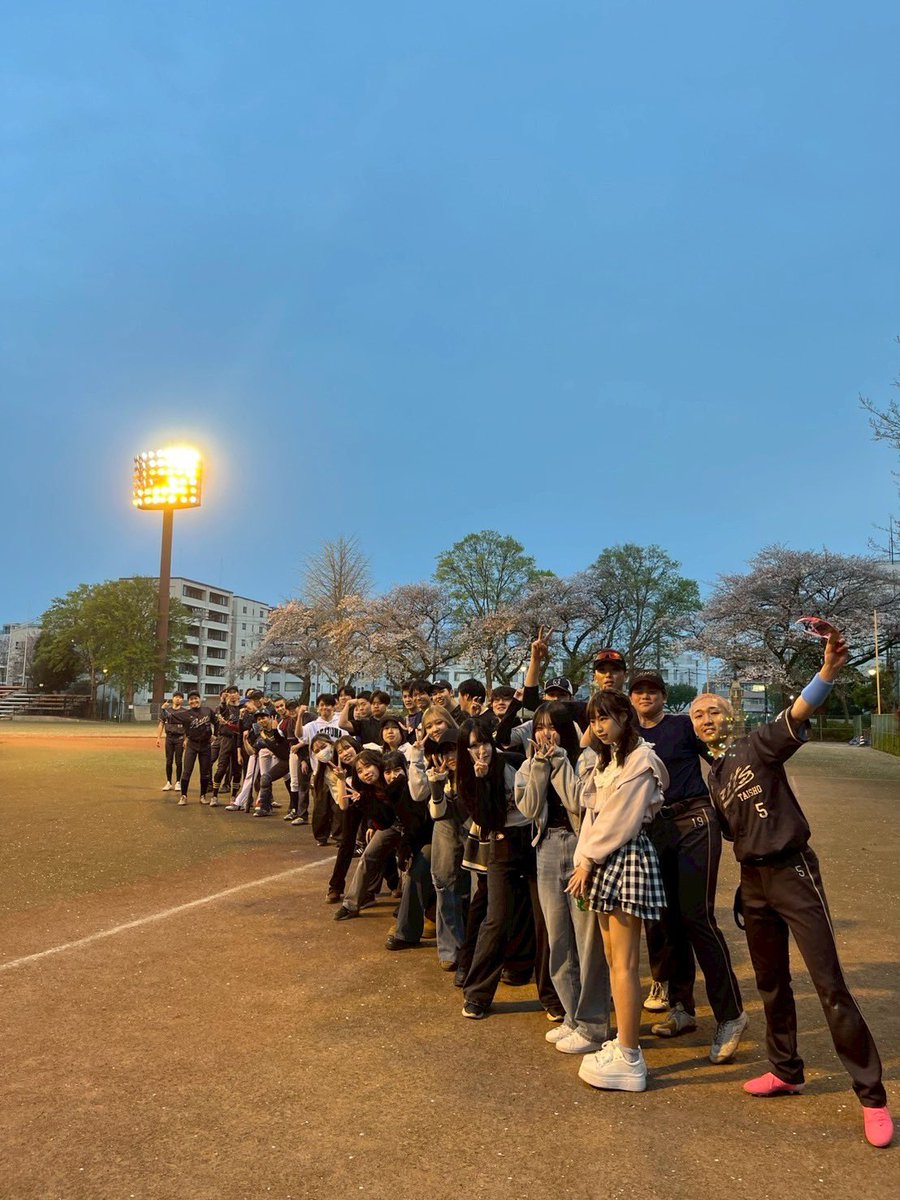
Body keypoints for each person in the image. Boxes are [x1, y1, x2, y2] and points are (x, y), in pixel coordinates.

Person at [690, 631, 893, 1149]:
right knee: (771, 981)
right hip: (753, 882)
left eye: (714, 711)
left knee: (829, 983)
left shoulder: (759, 744)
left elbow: (799, 710)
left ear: (731, 715)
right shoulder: (713, 777)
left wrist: (827, 670)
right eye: (697, 715)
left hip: (793, 871)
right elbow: (735, 834)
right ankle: (785, 1069)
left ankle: (871, 1096)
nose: (707, 719)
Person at [629, 671, 748, 1063]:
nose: (645, 696)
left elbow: (721, 755)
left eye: (653, 691)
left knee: (698, 918)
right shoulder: (629, 733)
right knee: (667, 920)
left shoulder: (682, 726)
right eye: (639, 691)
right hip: (655, 827)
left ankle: (731, 1015)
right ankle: (682, 1008)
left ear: (664, 697)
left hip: (695, 821)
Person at [566, 690, 668, 1093]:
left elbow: (621, 821)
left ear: (626, 716)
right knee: (612, 957)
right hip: (603, 858)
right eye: (594, 720)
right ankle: (623, 1042)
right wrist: (583, 860)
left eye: (605, 717)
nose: (599, 725)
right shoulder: (607, 761)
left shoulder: (642, 760)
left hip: (625, 857)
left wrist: (586, 860)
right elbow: (592, 815)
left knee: (625, 962)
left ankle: (630, 1054)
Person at [515, 702, 611, 1053]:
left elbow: (577, 803)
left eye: (552, 726)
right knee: (558, 941)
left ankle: (594, 1024)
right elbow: (527, 809)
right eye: (539, 726)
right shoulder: (530, 763)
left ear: (566, 729)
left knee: (587, 942)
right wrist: (541, 765)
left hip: (580, 850)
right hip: (546, 851)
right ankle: (573, 1017)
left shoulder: (584, 760)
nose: (545, 733)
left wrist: (557, 762)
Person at [458, 719, 561, 1022]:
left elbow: (540, 795)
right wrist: (482, 781)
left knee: (545, 919)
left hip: (533, 841)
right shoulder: (467, 779)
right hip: (500, 844)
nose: (481, 751)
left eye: (484, 743)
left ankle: (552, 996)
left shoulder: (513, 762)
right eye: (473, 746)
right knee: (497, 920)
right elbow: (488, 821)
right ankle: (477, 994)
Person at [174, 691, 218, 805]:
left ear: (200, 699)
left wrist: (215, 735)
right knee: (187, 771)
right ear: (188, 702)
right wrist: (164, 710)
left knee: (205, 772)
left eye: (196, 698)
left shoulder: (207, 711)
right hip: (192, 745)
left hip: (205, 745)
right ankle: (183, 796)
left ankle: (202, 796)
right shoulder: (185, 713)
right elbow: (170, 717)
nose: (194, 701)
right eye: (191, 699)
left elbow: (217, 722)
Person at [211, 685, 242, 804]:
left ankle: (233, 796)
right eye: (230, 692)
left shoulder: (242, 708)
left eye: (235, 692)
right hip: (226, 739)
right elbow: (220, 713)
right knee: (221, 768)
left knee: (237, 769)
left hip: (238, 740)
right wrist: (224, 701)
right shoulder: (224, 707)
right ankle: (214, 795)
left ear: (238, 694)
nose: (233, 694)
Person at [155, 692, 186, 792]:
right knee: (169, 761)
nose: (178, 699)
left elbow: (187, 727)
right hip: (169, 738)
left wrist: (186, 740)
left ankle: (178, 782)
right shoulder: (166, 711)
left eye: (180, 698)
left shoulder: (184, 712)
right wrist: (158, 738)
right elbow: (161, 724)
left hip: (180, 738)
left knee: (178, 761)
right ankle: (168, 782)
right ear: (172, 699)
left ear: (182, 700)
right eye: (176, 697)